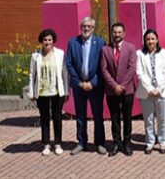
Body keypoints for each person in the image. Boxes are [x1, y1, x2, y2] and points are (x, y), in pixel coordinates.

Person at [64, 16, 107, 156]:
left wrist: (92, 82)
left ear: (93, 28)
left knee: (97, 115)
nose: (86, 29)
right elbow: (69, 64)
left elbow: (103, 66)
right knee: (80, 116)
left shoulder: (100, 42)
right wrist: (80, 82)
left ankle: (99, 143)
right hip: (79, 86)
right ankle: (82, 142)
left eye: (89, 26)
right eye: (84, 26)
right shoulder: (73, 42)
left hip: (95, 86)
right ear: (80, 27)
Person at [28, 28, 69, 156]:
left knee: (57, 118)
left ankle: (57, 144)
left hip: (57, 91)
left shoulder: (60, 54)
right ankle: (46, 144)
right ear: (41, 41)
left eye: (50, 39)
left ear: (53, 41)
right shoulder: (35, 56)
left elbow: (64, 73)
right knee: (44, 118)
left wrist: (66, 91)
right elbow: (31, 75)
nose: (47, 42)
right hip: (41, 92)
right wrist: (31, 92)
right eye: (45, 40)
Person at [100, 22, 138, 156]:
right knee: (114, 117)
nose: (117, 35)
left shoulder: (130, 48)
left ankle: (127, 143)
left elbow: (132, 68)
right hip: (112, 90)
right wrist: (114, 86)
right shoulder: (105, 49)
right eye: (115, 32)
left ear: (124, 33)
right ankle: (116, 143)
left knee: (127, 117)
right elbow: (104, 70)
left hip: (127, 89)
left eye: (119, 32)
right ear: (112, 33)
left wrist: (122, 85)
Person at [136, 29, 165, 154]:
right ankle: (150, 143)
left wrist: (158, 89)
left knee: (162, 119)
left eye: (152, 39)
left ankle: (162, 142)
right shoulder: (140, 54)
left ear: (157, 40)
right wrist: (150, 89)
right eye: (148, 39)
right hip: (146, 93)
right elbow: (140, 73)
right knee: (148, 120)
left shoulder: (164, 53)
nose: (150, 41)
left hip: (162, 92)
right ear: (145, 41)